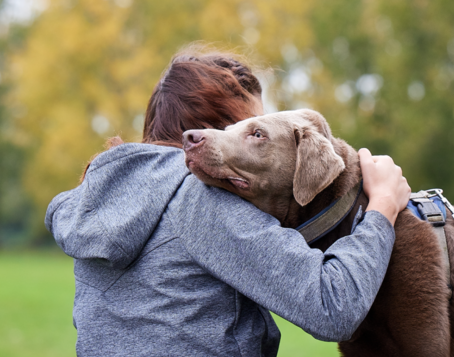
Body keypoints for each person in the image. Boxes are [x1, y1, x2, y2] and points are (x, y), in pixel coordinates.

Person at [45, 48, 411, 356]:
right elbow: (334, 308)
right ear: (216, 132)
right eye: (255, 128)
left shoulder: (102, 195)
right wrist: (382, 206)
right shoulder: (201, 199)